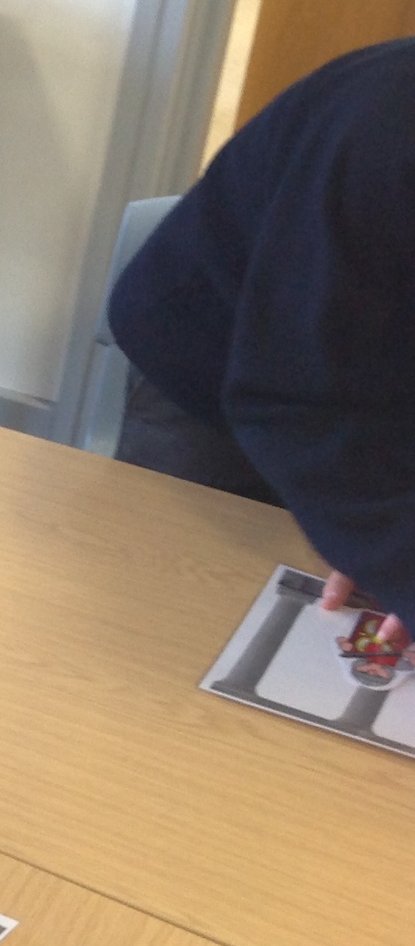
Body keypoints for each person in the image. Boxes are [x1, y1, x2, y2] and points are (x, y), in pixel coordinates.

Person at [108, 36, 415, 639]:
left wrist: (386, 545)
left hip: (358, 376)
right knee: (159, 622)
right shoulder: (383, 128)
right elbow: (295, 399)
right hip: (218, 365)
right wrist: (389, 548)